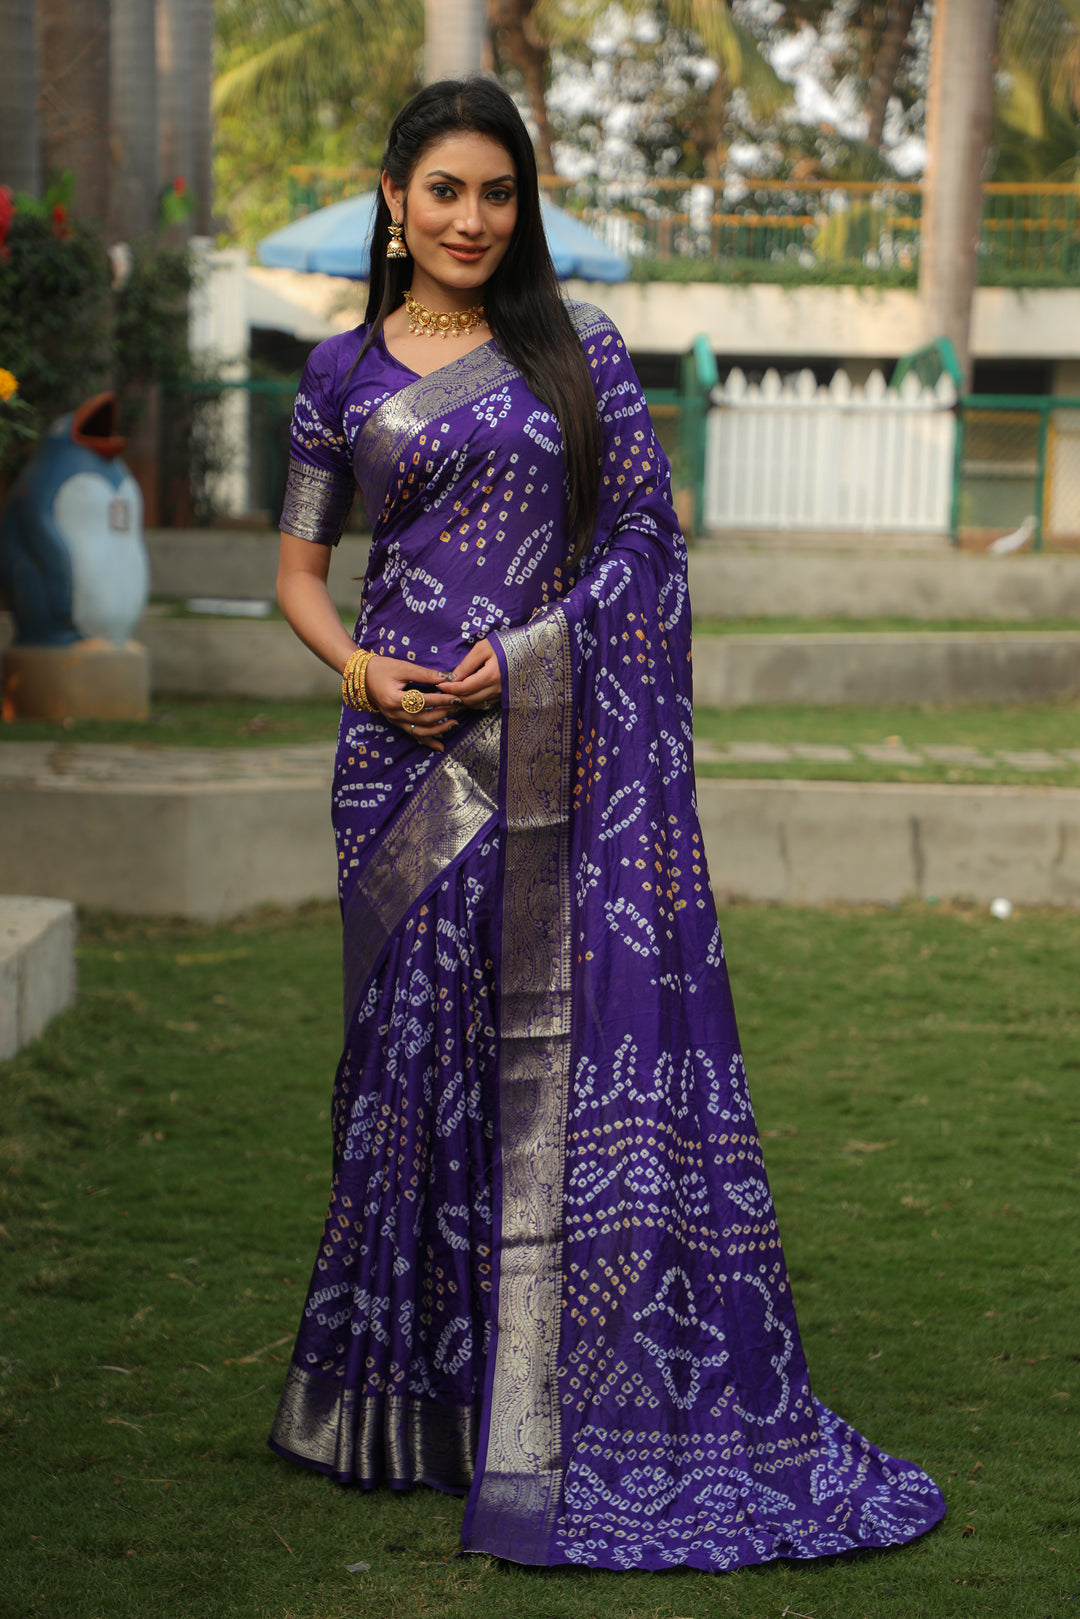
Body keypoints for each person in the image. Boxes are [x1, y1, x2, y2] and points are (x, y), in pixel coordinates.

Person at [268, 76, 946, 1572]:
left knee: (536, 1061)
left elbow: (649, 545)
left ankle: (545, 1401)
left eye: (495, 193)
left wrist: (522, 663)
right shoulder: (333, 374)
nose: (468, 218)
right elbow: (300, 575)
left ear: (522, 209)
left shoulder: (582, 358)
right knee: (411, 1062)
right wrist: (365, 671)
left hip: (549, 752)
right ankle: (405, 1407)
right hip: (395, 759)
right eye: (443, 190)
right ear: (395, 200)